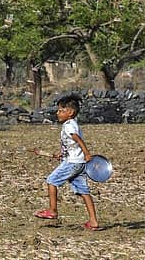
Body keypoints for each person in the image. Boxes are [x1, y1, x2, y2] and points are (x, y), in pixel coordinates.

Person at [33, 94, 100, 230]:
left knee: (51, 181)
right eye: (58, 110)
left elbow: (77, 139)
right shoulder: (72, 124)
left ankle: (52, 210)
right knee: (83, 191)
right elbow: (70, 144)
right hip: (79, 163)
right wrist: (61, 154)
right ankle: (93, 221)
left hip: (74, 162)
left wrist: (87, 153)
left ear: (70, 113)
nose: (58, 113)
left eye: (61, 111)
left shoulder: (69, 125)